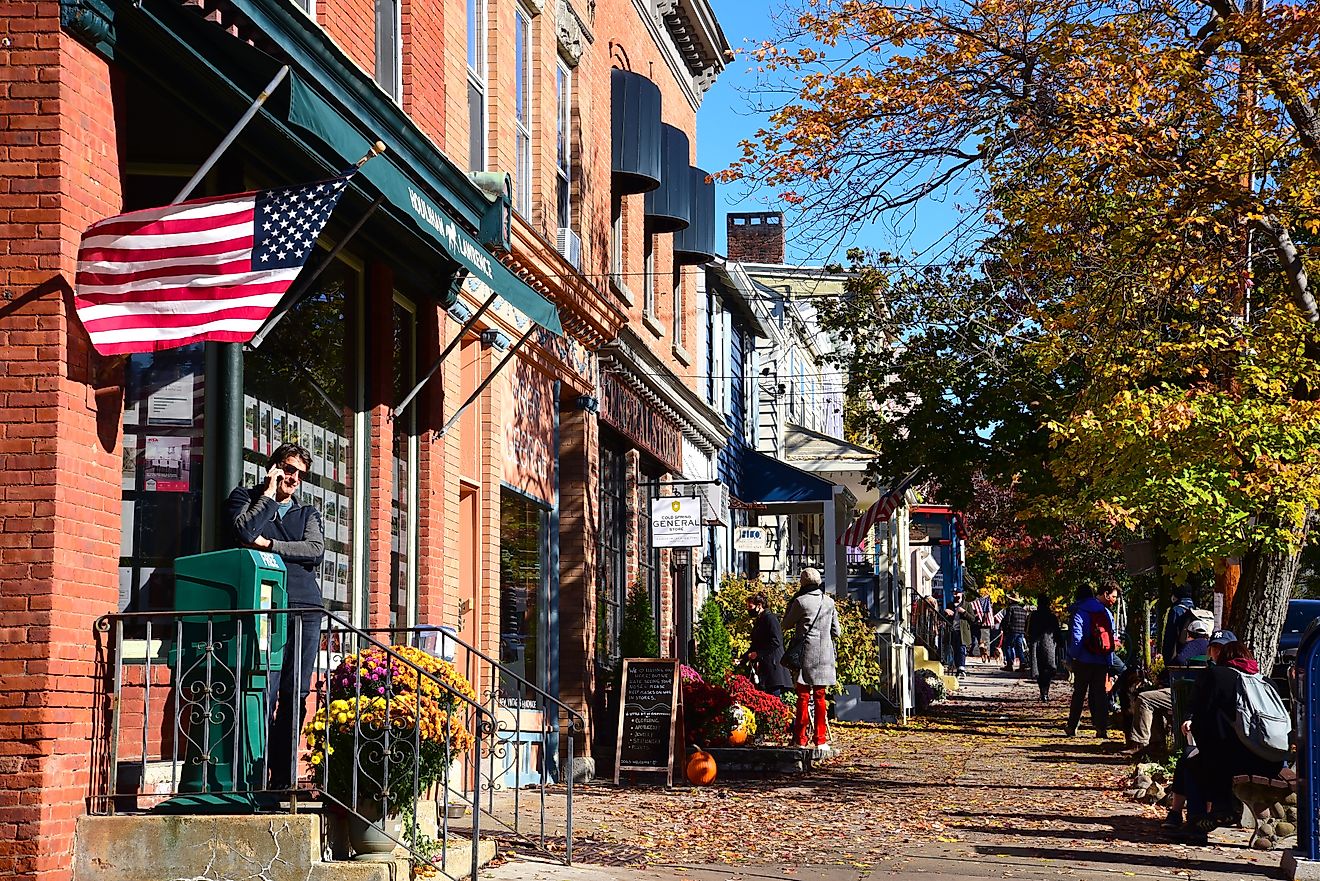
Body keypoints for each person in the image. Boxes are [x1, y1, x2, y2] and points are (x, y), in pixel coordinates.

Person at [227, 442, 326, 790]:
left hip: (305, 608)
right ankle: (252, 774)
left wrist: (269, 545)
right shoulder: (245, 498)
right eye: (288, 468)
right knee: (262, 687)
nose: (293, 477)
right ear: (273, 467)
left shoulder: (307, 514)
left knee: (295, 691)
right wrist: (267, 496)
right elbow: (242, 531)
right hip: (264, 606)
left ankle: (282, 778)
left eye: (300, 473)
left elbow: (314, 550)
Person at [1181, 638, 1285, 842]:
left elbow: (1203, 720)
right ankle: (1221, 808)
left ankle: (1197, 824)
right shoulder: (1266, 681)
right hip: (1272, 760)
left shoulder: (1216, 675)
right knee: (1212, 760)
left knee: (1190, 759)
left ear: (1222, 657)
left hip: (1235, 760)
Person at [1127, 617, 1212, 758]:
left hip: (1183, 693)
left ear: (1189, 634)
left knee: (1145, 698)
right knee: (1154, 700)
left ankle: (1140, 743)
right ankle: (1156, 743)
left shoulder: (1194, 645)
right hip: (1202, 697)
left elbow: (1177, 662)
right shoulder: (1209, 646)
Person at [781, 568, 840, 751]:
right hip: (825, 655)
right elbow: (837, 631)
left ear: (803, 583)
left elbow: (786, 624)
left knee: (803, 697)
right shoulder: (829, 602)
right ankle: (820, 740)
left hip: (806, 653)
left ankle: (800, 739)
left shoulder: (800, 602)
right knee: (821, 697)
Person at [1066, 580, 1120, 738]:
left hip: (1083, 660)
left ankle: (1072, 726)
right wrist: (1108, 661)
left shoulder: (1080, 612)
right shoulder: (1106, 612)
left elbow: (1077, 638)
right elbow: (1110, 638)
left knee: (1079, 694)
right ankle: (1101, 728)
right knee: (1100, 695)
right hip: (1101, 660)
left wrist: (1073, 656)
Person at [744, 592, 793, 695]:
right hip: (767, 667)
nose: (748, 609)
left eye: (750, 606)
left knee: (773, 700)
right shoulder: (760, 620)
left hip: (774, 666)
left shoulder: (770, 619)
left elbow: (776, 641)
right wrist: (742, 658)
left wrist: (758, 653)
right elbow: (756, 644)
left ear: (759, 605)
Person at [1026, 600, 1064, 700]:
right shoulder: (1052, 616)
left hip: (1036, 644)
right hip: (1049, 644)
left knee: (1039, 668)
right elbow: (1057, 631)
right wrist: (1060, 642)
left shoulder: (1033, 616)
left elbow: (1028, 630)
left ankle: (1043, 692)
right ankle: (1045, 692)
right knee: (1048, 668)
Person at [1161, 584, 1197, 663]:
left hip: (1180, 655)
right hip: (1196, 654)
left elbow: (1170, 636)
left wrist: (1167, 658)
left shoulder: (1176, 610)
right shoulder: (1196, 610)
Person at [945, 588, 971, 677]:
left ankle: (962, 667)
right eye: (954, 593)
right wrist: (945, 612)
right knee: (955, 650)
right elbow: (944, 618)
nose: (955, 595)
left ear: (962, 594)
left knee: (962, 649)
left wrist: (964, 612)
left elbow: (973, 619)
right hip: (953, 631)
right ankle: (958, 668)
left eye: (957, 593)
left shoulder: (967, 605)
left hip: (962, 631)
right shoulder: (950, 605)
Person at [1001, 595, 1030, 673]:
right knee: (1019, 647)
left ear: (1011, 601)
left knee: (1008, 646)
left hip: (1012, 631)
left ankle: (1009, 664)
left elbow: (1007, 620)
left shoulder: (1010, 608)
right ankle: (1022, 663)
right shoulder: (1023, 610)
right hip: (1021, 632)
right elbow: (1026, 622)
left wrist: (1005, 630)